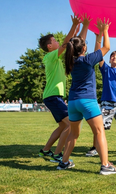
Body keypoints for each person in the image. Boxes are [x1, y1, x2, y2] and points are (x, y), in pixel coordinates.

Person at [57, 17, 116, 175]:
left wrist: (84, 25)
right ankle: (105, 165)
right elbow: (107, 47)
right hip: (87, 101)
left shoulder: (70, 60)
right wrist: (105, 29)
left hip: (73, 102)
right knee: (99, 132)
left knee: (73, 133)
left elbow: (78, 43)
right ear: (84, 49)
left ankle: (64, 162)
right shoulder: (88, 60)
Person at [38, 14, 80, 162]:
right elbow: (65, 44)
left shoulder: (54, 58)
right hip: (53, 96)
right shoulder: (50, 57)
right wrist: (74, 26)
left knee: (63, 126)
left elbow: (68, 45)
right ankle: (57, 155)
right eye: (54, 40)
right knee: (70, 124)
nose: (57, 42)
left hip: (54, 97)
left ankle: (45, 150)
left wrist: (75, 33)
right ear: (49, 46)